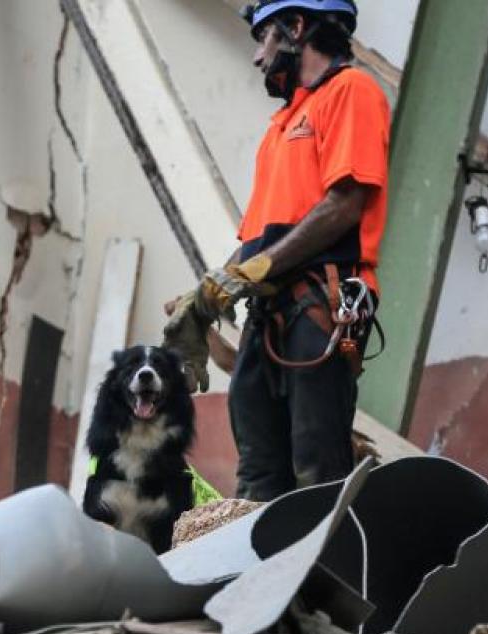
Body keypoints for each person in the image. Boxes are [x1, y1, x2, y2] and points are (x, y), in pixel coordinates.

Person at [170, 0, 389, 501]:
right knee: (257, 477)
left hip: (318, 305)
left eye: (263, 38)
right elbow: (257, 242)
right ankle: (269, 578)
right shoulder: (281, 127)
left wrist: (257, 270)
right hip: (267, 313)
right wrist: (201, 301)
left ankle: (325, 578)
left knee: (317, 468)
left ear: (295, 27)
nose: (257, 57)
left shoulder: (350, 91)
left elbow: (345, 202)